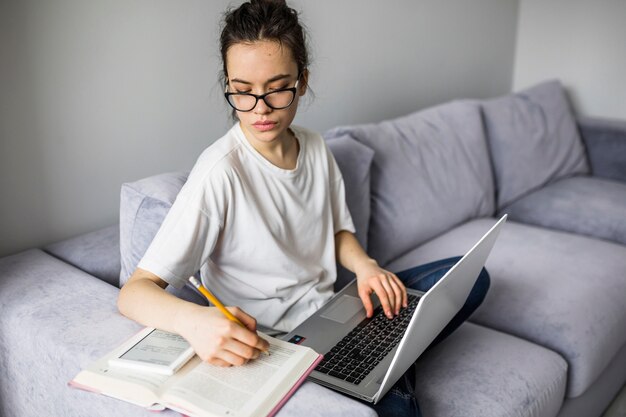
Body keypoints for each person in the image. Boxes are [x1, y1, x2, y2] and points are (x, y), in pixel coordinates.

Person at [117, 1, 490, 416]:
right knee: (400, 401)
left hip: (336, 315)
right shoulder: (219, 172)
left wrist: (366, 266)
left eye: (277, 88)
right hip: (279, 344)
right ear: (229, 83)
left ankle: (383, 360)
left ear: (303, 80)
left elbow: (337, 232)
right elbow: (134, 295)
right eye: (242, 91)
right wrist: (195, 322)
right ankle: (385, 369)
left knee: (470, 279)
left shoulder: (314, 147)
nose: (260, 107)